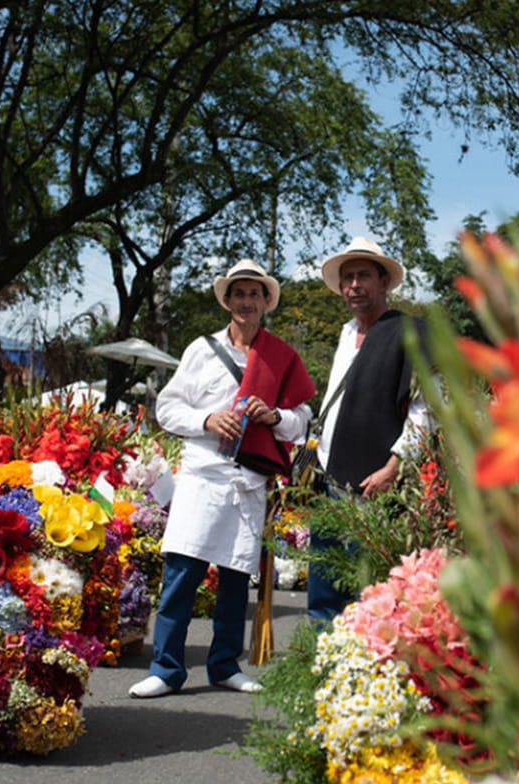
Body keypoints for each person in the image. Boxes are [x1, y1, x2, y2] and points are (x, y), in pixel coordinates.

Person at [129, 259, 315, 698]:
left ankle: (224, 666)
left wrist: (275, 416)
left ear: (266, 302)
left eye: (255, 294)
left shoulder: (280, 355)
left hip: (248, 482)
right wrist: (208, 419)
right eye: (239, 293)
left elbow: (303, 420)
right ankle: (167, 668)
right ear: (227, 300)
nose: (247, 301)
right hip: (203, 477)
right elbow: (168, 409)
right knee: (181, 574)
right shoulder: (201, 349)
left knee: (235, 580)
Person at [308, 236, 431, 623]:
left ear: (384, 283)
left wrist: (395, 465)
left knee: (368, 590)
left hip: (374, 484)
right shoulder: (345, 334)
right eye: (347, 278)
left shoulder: (411, 332)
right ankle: (322, 670)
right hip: (330, 480)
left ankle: (366, 672)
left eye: (363, 275)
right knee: (324, 586)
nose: (354, 285)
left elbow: (425, 410)